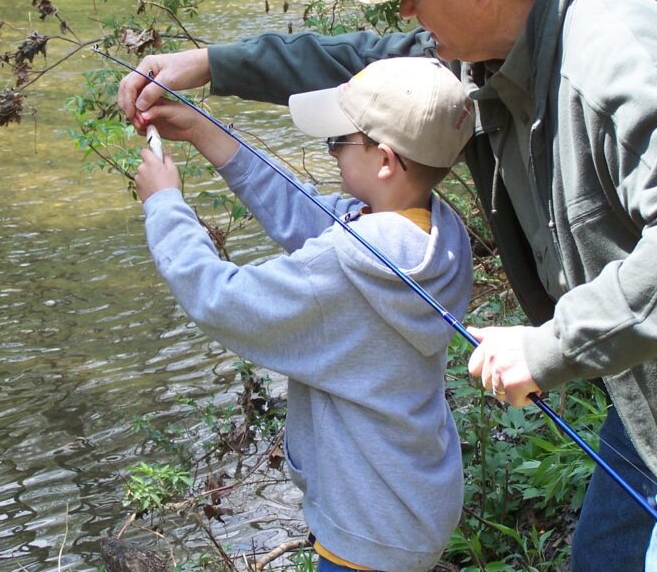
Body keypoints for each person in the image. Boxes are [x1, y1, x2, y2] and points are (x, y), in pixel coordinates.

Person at [119, 0, 657, 571]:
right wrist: (211, 64)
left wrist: (549, 346)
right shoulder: (491, 48)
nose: (403, 12)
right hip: (655, 379)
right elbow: (362, 68)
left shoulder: (615, 68)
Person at [133, 56, 475, 572]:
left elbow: (220, 299)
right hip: (415, 499)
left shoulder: (344, 266)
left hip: (363, 529)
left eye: (338, 141)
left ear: (383, 160)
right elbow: (307, 214)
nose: (332, 151)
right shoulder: (439, 234)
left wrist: (164, 204)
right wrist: (204, 132)